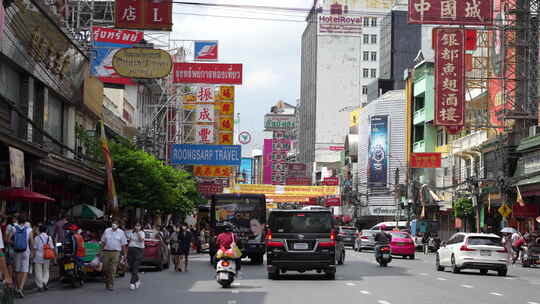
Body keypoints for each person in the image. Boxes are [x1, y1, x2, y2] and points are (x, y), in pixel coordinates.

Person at [6, 216, 33, 298]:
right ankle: (21, 288)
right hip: (26, 251)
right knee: (24, 270)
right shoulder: (29, 229)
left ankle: (17, 287)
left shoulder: (14, 228)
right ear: (25, 222)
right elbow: (32, 242)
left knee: (17, 270)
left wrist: (14, 243)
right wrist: (33, 251)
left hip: (17, 251)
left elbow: (7, 240)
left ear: (18, 221)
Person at [100, 219, 127, 291]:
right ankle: (107, 282)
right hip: (106, 252)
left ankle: (111, 285)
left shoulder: (121, 232)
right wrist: (100, 251)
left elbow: (123, 244)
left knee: (113, 269)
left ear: (118, 225)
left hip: (116, 252)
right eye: (113, 223)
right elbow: (103, 241)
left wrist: (124, 254)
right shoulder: (107, 230)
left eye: (115, 223)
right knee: (105, 268)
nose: (113, 224)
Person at [33, 225, 55, 292]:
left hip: (38, 256)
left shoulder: (36, 238)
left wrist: (32, 256)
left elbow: (35, 248)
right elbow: (52, 247)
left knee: (38, 271)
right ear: (46, 230)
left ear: (39, 230)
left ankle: (40, 285)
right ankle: (44, 282)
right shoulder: (49, 237)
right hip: (47, 256)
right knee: (46, 270)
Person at [127, 223, 144, 290]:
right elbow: (128, 240)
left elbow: (141, 240)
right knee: (131, 267)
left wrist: (138, 233)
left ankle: (132, 283)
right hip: (131, 250)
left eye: (138, 226)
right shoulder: (132, 233)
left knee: (135, 266)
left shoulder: (142, 233)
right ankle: (137, 280)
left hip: (139, 250)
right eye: (136, 225)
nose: (137, 227)